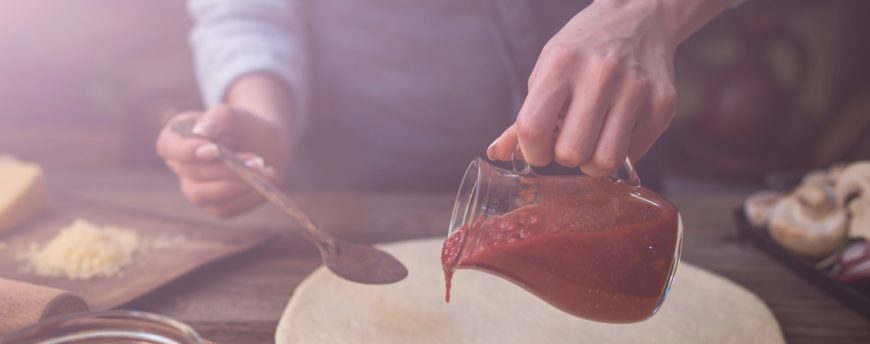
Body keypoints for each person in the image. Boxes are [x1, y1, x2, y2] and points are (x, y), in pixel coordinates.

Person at [157, 0, 736, 218]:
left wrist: (652, 11)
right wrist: (264, 119)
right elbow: (248, 13)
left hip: (605, 156)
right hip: (364, 193)